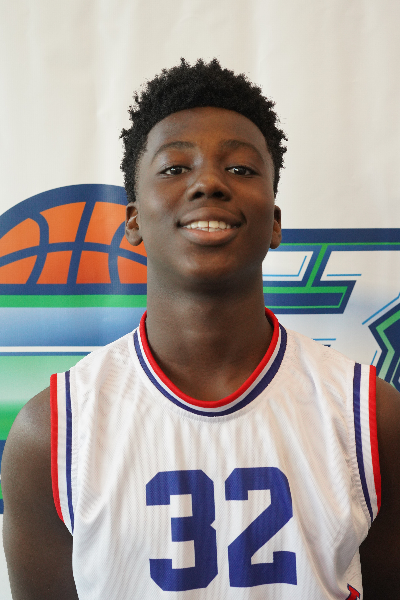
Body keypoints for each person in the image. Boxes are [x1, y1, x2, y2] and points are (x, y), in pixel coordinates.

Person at [2, 59, 400, 600]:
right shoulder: (52, 433)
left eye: (240, 168)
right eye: (174, 168)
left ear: (275, 222)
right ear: (133, 220)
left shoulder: (371, 417)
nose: (209, 182)